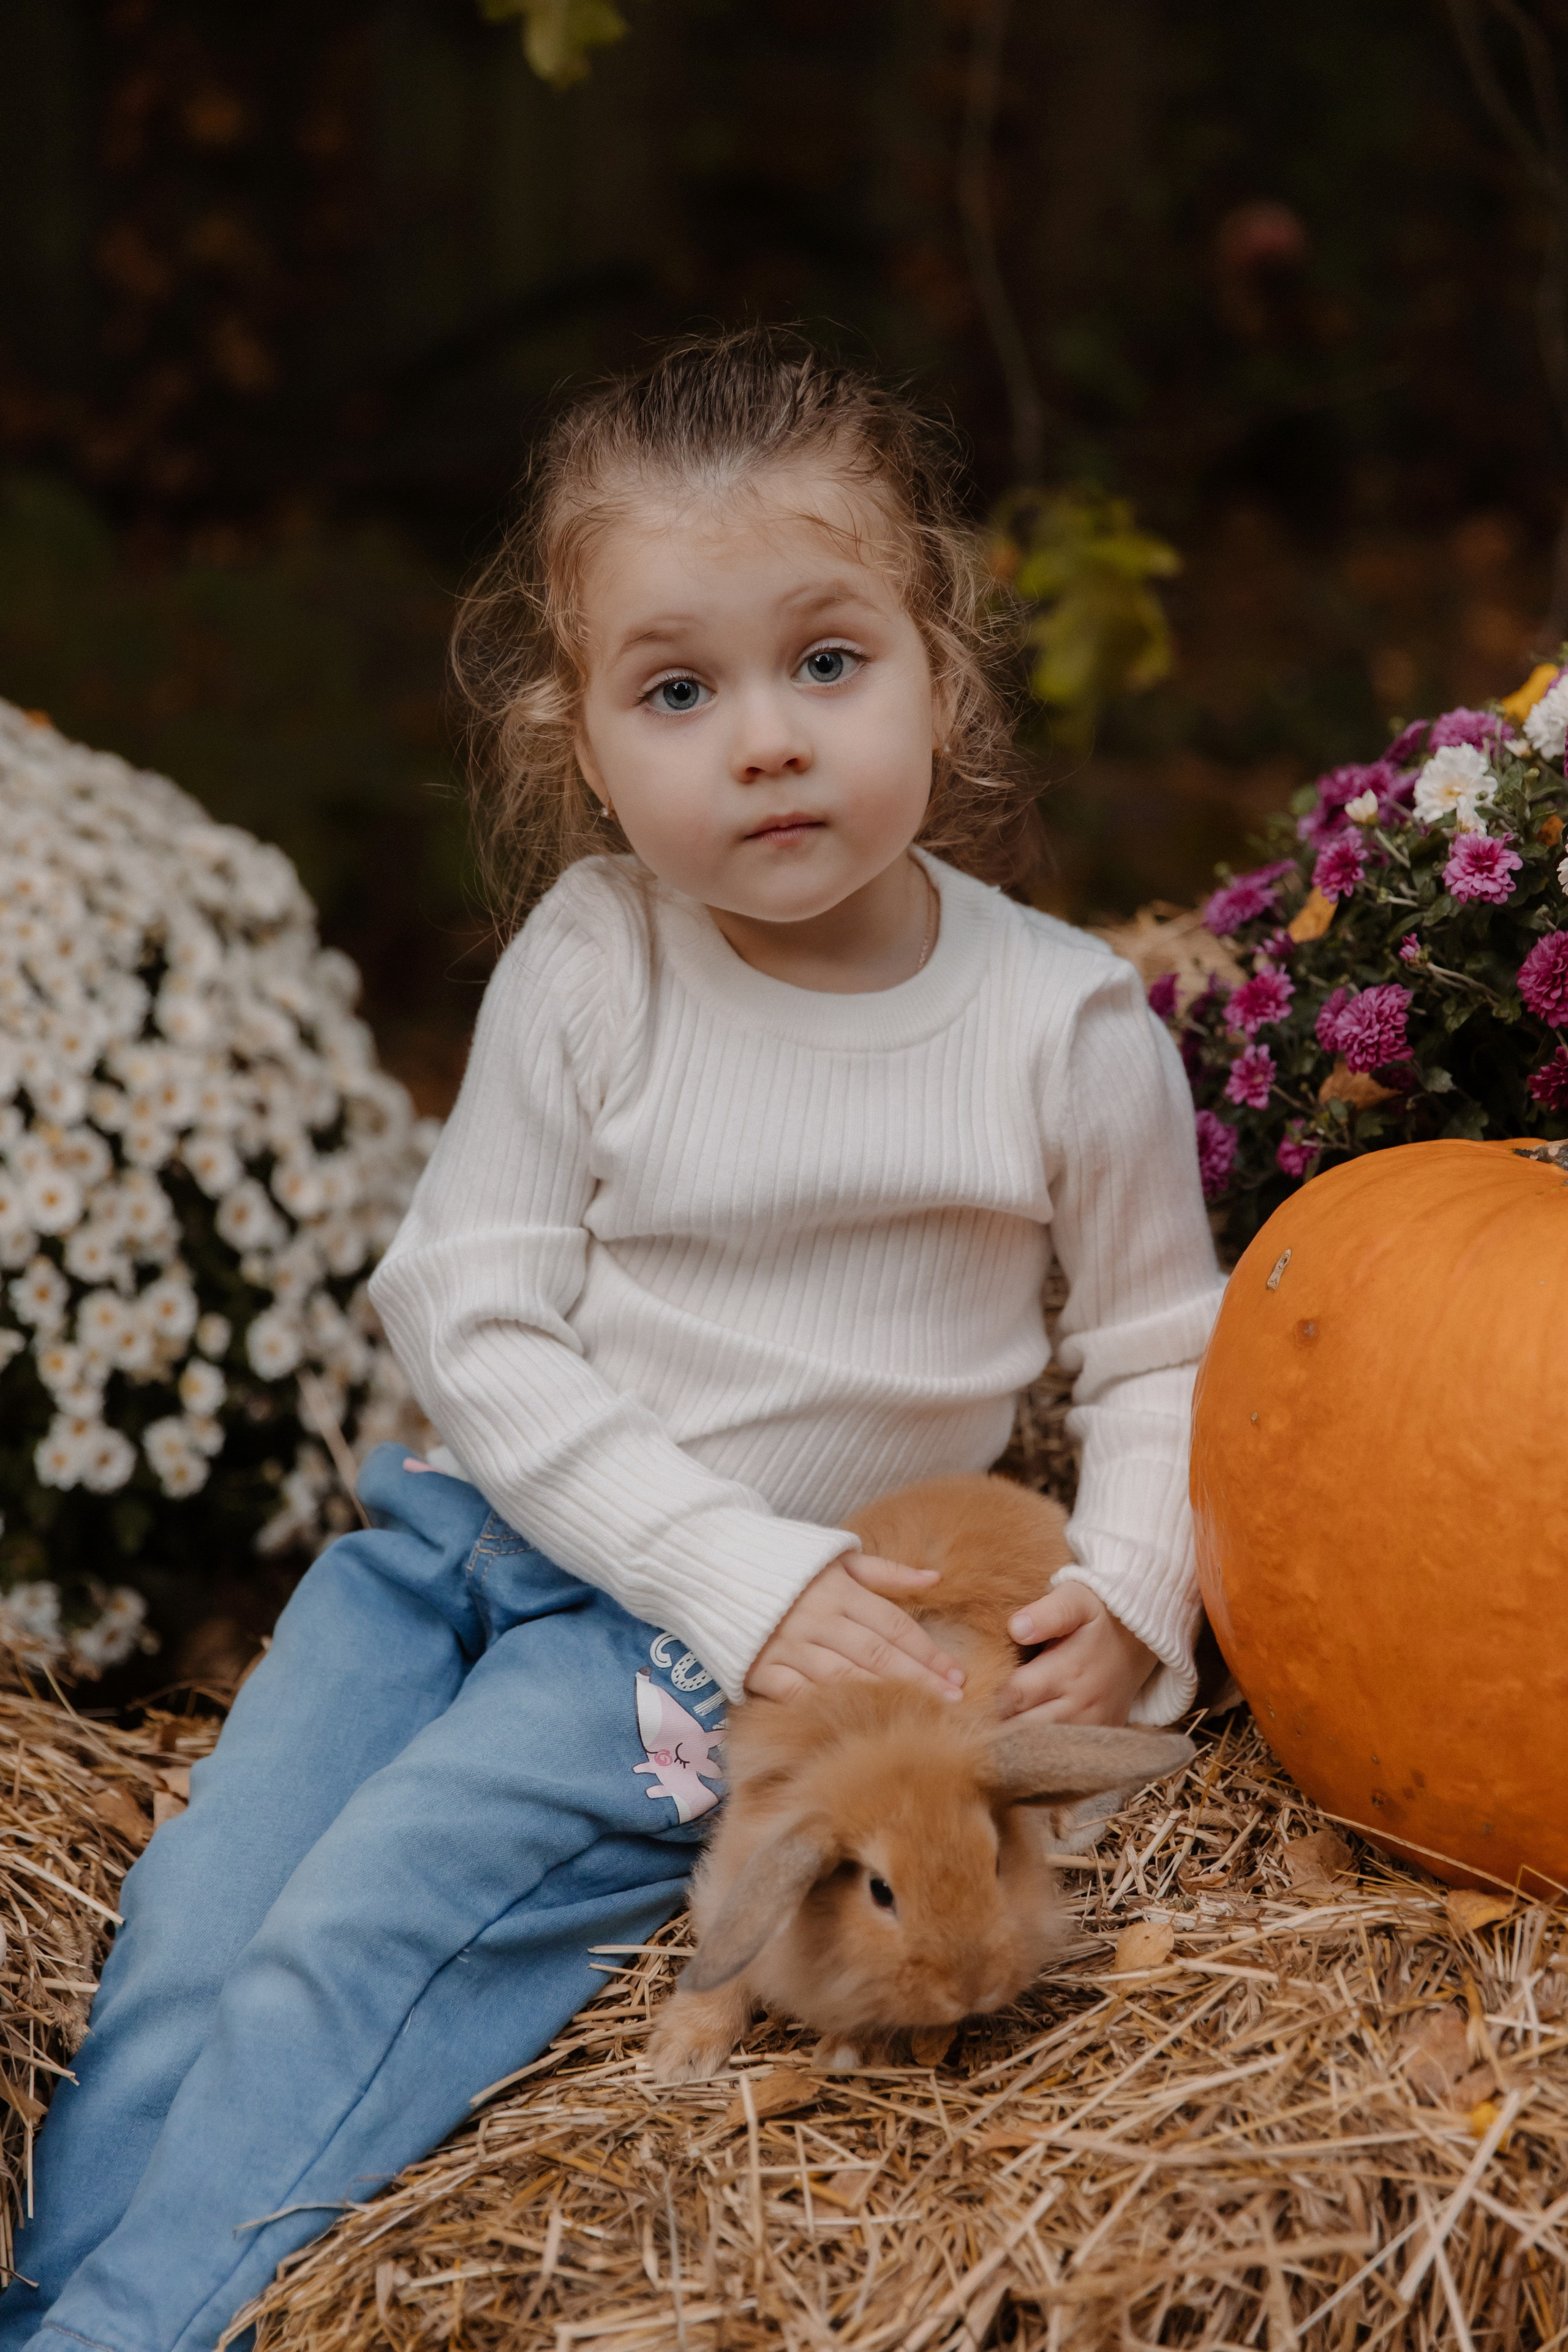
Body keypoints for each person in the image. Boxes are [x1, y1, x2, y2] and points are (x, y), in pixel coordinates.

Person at [0, 327, 1224, 2350]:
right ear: (582, 740)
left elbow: (1166, 1343)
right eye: (681, 689)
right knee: (202, 1931)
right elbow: (463, 1311)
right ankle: (54, 2291)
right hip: (449, 1551)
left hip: (681, 1657)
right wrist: (724, 1557)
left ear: (943, 662)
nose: (764, 739)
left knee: (370, 1929)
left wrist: (1137, 1577)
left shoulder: (1060, 1025)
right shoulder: (594, 961)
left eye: (828, 662)